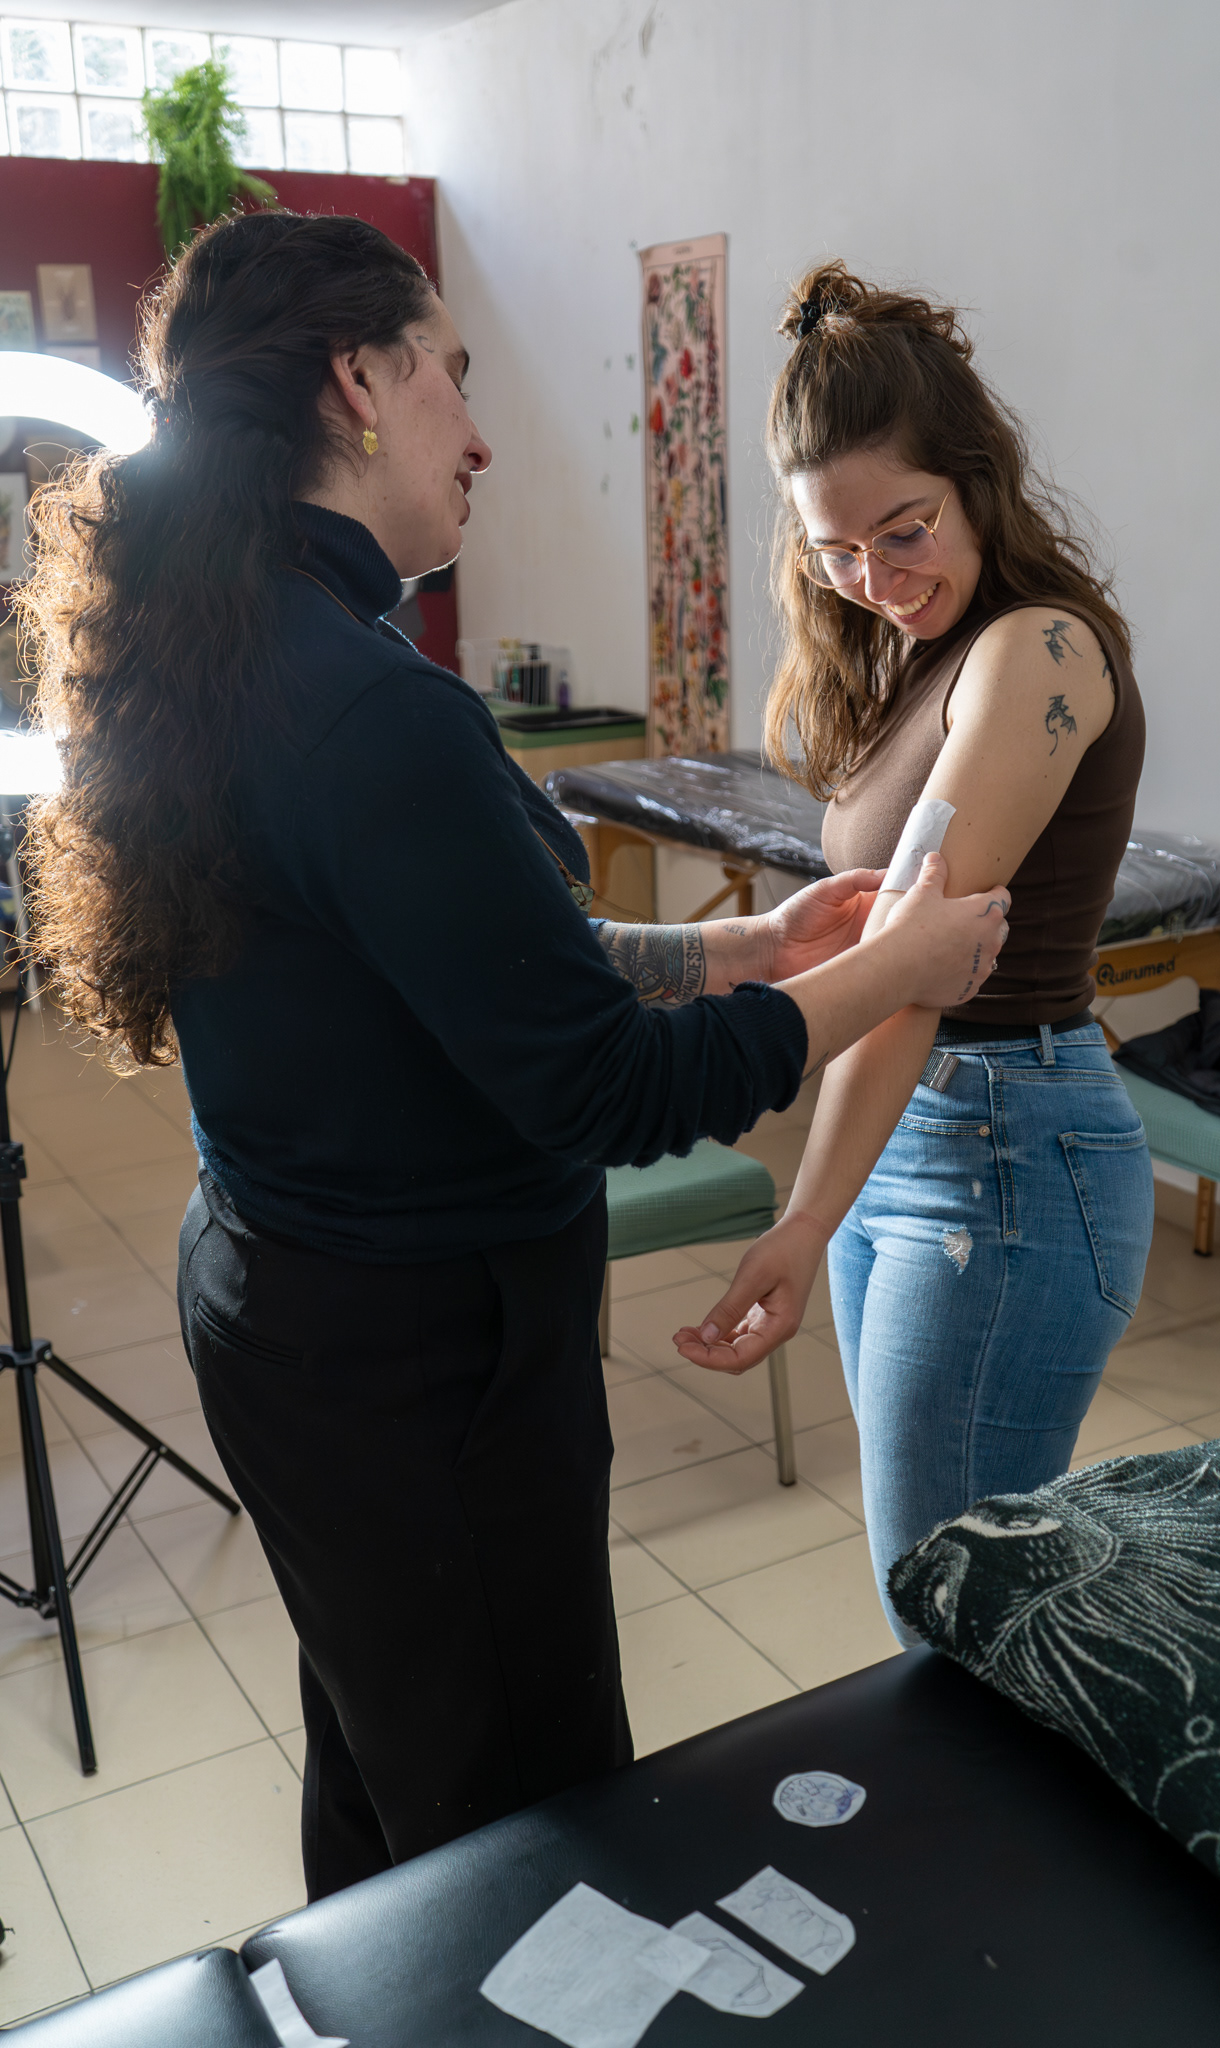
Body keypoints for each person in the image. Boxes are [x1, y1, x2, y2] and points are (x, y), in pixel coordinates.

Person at [17, 215, 1008, 1897]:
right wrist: (893, 970)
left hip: (283, 1302)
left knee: (385, 1756)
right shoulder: (368, 707)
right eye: (452, 377)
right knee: (514, 1830)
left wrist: (738, 950)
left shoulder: (226, 650)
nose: (478, 436)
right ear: (357, 380)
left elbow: (462, 971)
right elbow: (607, 1086)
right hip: (419, 1363)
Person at [676, 263, 1154, 1641]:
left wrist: (801, 1215)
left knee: (951, 1622)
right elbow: (889, 962)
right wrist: (825, 1203)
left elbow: (913, 972)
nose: (876, 581)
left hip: (1008, 1143)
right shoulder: (917, 652)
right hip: (920, 1135)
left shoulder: (1037, 650)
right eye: (835, 550)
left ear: (976, 481)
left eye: (904, 531)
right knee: (941, 1601)